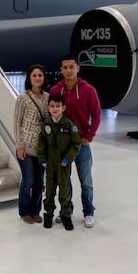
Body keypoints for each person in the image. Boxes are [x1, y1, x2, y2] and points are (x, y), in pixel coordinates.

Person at [48, 54, 101, 228]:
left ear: (78, 68)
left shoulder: (88, 90)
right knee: (64, 181)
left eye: (72, 67)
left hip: (81, 145)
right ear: (61, 70)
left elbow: (97, 115)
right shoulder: (56, 90)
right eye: (65, 67)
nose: (69, 70)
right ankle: (67, 210)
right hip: (62, 145)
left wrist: (88, 137)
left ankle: (89, 213)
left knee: (86, 181)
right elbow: (51, 114)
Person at [37, 94, 82, 230]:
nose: (55, 109)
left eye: (58, 106)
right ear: (48, 108)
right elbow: (42, 143)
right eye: (52, 106)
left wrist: (67, 158)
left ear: (63, 108)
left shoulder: (69, 125)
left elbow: (76, 144)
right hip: (50, 165)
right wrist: (43, 158)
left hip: (63, 165)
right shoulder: (46, 124)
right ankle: (48, 215)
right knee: (50, 191)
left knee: (65, 192)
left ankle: (66, 216)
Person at [12, 64, 49, 224]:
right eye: (34, 75)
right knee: (28, 180)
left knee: (39, 181)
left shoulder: (48, 98)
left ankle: (35, 210)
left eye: (40, 75)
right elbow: (16, 122)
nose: (37, 78)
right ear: (29, 78)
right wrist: (19, 145)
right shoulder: (23, 98)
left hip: (42, 148)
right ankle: (24, 211)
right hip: (26, 147)